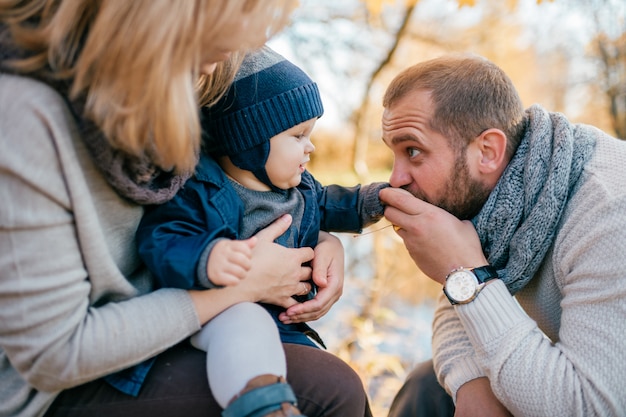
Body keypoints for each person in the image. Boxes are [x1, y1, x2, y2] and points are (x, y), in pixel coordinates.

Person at [0, 2, 373, 417]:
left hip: (159, 330)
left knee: (328, 378)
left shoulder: (180, 85)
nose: (242, 41)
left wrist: (320, 239)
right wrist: (243, 286)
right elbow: (54, 356)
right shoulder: (24, 117)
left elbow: (245, 196)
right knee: (329, 388)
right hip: (47, 392)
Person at [136, 45, 388, 417]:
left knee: (338, 382)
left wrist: (376, 200)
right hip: (215, 315)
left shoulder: (300, 189)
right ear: (248, 143)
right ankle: (262, 408)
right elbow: (161, 241)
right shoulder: (199, 190)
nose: (311, 146)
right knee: (245, 325)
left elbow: (334, 204)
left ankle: (281, 401)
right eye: (298, 136)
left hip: (283, 323)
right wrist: (208, 257)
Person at [378, 54, 626, 417]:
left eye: (413, 151)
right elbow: (455, 304)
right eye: (394, 154)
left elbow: (588, 407)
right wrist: (472, 383)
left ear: (488, 151)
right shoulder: (495, 193)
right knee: (425, 389)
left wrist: (465, 271)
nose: (395, 179)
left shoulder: (609, 210)